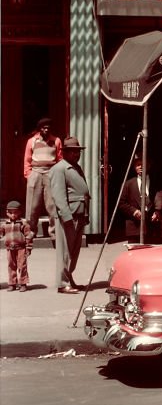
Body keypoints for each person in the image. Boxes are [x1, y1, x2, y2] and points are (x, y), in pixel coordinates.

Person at [49, 136, 90, 294]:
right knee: (65, 251)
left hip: (79, 213)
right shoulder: (59, 169)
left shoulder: (76, 167)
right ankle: (62, 283)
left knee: (73, 251)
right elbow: (59, 196)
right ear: (64, 152)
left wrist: (86, 214)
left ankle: (69, 278)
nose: (76, 154)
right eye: (72, 151)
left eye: (78, 151)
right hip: (69, 215)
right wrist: (66, 217)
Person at [23, 117, 62, 239]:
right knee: (32, 206)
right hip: (35, 172)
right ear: (39, 129)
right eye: (43, 128)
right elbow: (27, 159)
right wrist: (29, 175)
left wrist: (57, 175)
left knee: (52, 204)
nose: (46, 129)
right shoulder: (32, 141)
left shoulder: (56, 141)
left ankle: (54, 232)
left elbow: (59, 159)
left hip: (50, 173)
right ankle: (30, 231)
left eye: (48, 128)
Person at [1, 201, 34, 292]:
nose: (13, 215)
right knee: (11, 265)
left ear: (19, 212)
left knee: (22, 265)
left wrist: (29, 247)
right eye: (10, 213)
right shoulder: (5, 224)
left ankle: (23, 283)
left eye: (15, 212)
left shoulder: (23, 224)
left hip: (21, 248)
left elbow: (29, 235)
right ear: (7, 213)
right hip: (9, 248)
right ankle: (12, 283)